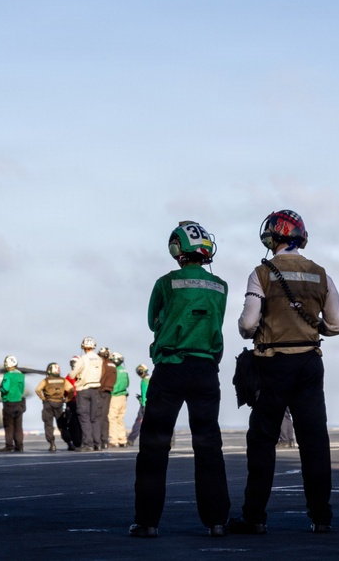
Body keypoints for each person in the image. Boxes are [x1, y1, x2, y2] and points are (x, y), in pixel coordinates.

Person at [228, 210, 339, 535]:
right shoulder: (320, 273)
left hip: (273, 363)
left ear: (271, 238)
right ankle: (321, 516)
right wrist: (313, 326)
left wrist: (249, 331)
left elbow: (249, 323)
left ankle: (254, 516)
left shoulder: (261, 273)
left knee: (262, 441)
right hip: (310, 363)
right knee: (314, 442)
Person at [130, 221, 230, 539]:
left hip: (171, 368)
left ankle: (147, 522)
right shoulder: (220, 286)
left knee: (155, 445)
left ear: (177, 250)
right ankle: (216, 521)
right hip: (205, 370)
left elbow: (152, 321)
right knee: (209, 444)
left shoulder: (166, 283)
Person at [68, 337, 102, 451]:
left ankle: (88, 444)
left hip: (83, 389)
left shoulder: (83, 359)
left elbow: (73, 375)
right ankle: (98, 443)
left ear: (83, 346)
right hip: (95, 389)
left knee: (84, 417)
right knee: (94, 418)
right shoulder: (98, 358)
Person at [35, 362, 74, 451]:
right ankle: (69, 443)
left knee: (48, 425)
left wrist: (42, 398)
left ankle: (52, 444)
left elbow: (37, 389)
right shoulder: (63, 380)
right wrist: (68, 399)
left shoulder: (46, 380)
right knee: (63, 426)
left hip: (48, 403)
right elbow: (71, 389)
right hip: (59, 403)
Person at [0, 356, 26, 452]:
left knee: (9, 426)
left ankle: (9, 446)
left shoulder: (7, 375)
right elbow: (22, 389)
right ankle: (19, 446)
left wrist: (0, 388)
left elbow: (5, 388)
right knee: (18, 426)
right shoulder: (21, 375)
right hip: (19, 402)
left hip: (9, 403)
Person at [98, 346, 117, 451]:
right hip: (109, 391)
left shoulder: (103, 364)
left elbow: (101, 376)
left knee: (98, 416)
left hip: (100, 391)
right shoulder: (113, 365)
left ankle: (99, 440)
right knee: (105, 417)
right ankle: (105, 440)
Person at [109, 352, 130, 448]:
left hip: (115, 396)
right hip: (123, 396)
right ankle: (123, 439)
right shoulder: (124, 370)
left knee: (112, 418)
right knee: (120, 419)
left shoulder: (114, 370)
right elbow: (128, 383)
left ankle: (114, 440)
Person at [127, 364, 150, 446]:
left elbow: (144, 394)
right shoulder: (151, 379)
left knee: (139, 422)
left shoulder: (144, 381)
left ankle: (131, 439)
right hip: (153, 403)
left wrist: (143, 404)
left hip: (146, 404)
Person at [65, 356, 84, 450]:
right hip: (80, 401)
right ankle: (81, 442)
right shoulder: (84, 375)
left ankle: (77, 442)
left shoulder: (69, 376)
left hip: (73, 401)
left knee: (74, 423)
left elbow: (65, 389)